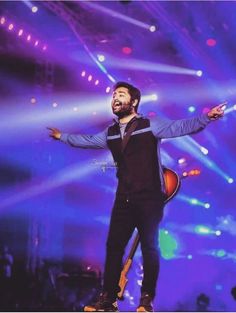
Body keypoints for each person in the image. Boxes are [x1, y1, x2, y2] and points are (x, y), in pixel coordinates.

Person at [48, 81, 225, 312]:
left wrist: (206, 117)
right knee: (113, 247)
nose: (115, 98)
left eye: (121, 94)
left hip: (150, 197)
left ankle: (146, 300)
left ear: (134, 102)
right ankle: (108, 300)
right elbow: (88, 141)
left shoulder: (149, 125)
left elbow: (180, 127)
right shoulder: (110, 133)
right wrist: (63, 136)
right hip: (124, 198)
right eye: (113, 95)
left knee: (150, 246)